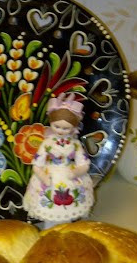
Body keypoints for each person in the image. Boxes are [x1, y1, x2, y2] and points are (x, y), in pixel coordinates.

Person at [23, 93, 94, 225]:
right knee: (49, 212)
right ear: (51, 123)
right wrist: (43, 177)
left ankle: (66, 230)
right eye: (57, 126)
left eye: (66, 128)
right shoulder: (47, 143)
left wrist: (76, 172)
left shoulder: (75, 144)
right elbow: (37, 165)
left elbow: (84, 164)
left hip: (70, 176)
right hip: (50, 176)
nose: (61, 131)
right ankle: (50, 230)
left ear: (74, 127)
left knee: (68, 213)